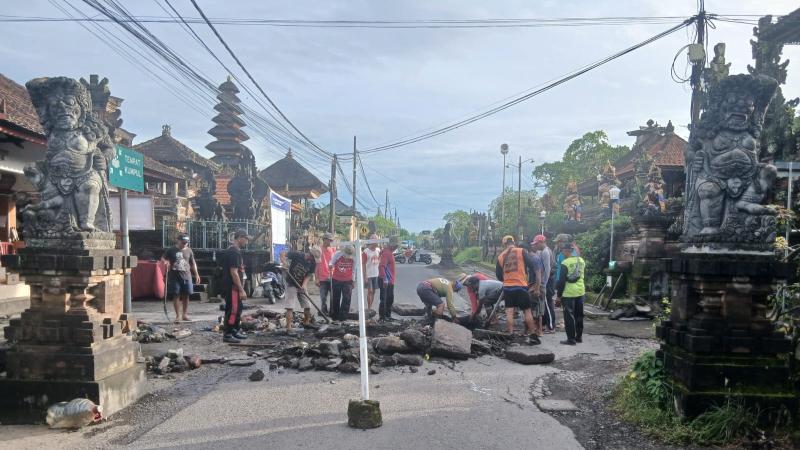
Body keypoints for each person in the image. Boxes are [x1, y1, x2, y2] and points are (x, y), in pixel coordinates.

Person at [496, 235, 539, 342]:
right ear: (513, 242)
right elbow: (532, 265)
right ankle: (533, 335)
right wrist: (534, 283)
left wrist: (507, 278)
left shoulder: (501, 256)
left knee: (509, 311)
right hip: (521, 286)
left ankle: (510, 334)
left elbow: (499, 275)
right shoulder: (521, 251)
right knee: (527, 311)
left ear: (504, 244)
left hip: (508, 287)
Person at [160, 234, 200, 323]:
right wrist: (165, 261)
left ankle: (184, 314)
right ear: (177, 241)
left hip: (187, 276)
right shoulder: (171, 250)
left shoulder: (189, 250)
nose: (185, 244)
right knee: (176, 295)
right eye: (183, 242)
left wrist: (196, 274)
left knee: (186, 295)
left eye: (186, 243)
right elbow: (162, 258)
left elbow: (193, 263)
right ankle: (177, 316)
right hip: (174, 277)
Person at [220, 230, 250, 343]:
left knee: (238, 309)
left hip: (234, 287)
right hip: (232, 287)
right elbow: (234, 272)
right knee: (233, 310)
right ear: (240, 238)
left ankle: (234, 330)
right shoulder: (233, 252)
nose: (247, 241)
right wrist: (241, 290)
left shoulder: (235, 251)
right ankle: (227, 334)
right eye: (246, 239)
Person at [555, 241, 586, 345]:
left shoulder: (565, 263)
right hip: (580, 291)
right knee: (579, 315)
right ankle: (579, 337)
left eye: (563, 250)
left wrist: (558, 296)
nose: (563, 252)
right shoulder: (581, 260)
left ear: (566, 251)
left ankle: (571, 339)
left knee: (569, 316)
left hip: (568, 293)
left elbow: (561, 281)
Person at [281, 248, 319, 330]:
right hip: (291, 283)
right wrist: (284, 263)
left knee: (308, 306)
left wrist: (304, 285)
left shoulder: (313, 262)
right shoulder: (297, 255)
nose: (312, 260)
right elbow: (283, 253)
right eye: (313, 258)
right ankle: (288, 328)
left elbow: (309, 275)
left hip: (301, 284)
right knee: (290, 306)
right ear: (310, 254)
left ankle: (306, 322)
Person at [533, 234, 557, 333]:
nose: (536, 246)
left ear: (542, 242)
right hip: (546, 280)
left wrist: (543, 283)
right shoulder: (542, 251)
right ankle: (545, 324)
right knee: (545, 303)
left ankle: (551, 326)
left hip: (548, 281)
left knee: (548, 303)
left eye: (537, 243)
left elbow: (547, 269)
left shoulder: (546, 252)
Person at [521, 242, 544, 336]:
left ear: (525, 251)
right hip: (532, 286)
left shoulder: (534, 259)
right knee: (531, 309)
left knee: (534, 310)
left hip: (536, 287)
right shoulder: (530, 259)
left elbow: (539, 275)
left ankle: (537, 331)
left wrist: (536, 288)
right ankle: (531, 330)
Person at [329, 245, 355, 321]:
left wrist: (353, 280)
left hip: (348, 280)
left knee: (347, 299)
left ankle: (343, 317)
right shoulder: (337, 254)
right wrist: (330, 265)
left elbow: (354, 269)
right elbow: (332, 262)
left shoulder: (354, 256)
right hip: (336, 279)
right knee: (335, 298)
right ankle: (334, 316)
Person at [378, 236, 398, 321]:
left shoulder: (389, 252)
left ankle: (387, 315)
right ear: (391, 245)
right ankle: (383, 317)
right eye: (394, 246)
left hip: (390, 280)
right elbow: (382, 266)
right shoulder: (386, 253)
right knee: (385, 299)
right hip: (385, 280)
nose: (395, 248)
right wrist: (385, 279)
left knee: (390, 299)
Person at [315, 232, 336, 314]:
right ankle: (323, 311)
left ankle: (332, 311)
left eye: (331, 240)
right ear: (324, 240)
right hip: (322, 278)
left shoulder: (333, 250)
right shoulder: (319, 250)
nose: (330, 242)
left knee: (333, 296)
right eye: (329, 240)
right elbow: (316, 265)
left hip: (332, 276)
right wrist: (316, 278)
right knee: (323, 297)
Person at [362, 234, 381, 311]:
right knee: (370, 291)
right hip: (369, 274)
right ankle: (369, 308)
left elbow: (379, 260)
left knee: (374, 292)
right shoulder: (366, 251)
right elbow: (363, 264)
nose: (377, 243)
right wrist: (365, 276)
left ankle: (371, 307)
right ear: (372, 242)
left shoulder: (378, 250)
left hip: (376, 274)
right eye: (376, 241)